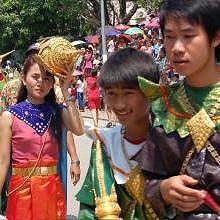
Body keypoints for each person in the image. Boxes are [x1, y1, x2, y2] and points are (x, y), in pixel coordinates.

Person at [138, 0, 220, 219]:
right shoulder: (163, 103)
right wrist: (164, 189)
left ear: (216, 37)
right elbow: (147, 180)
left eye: (188, 35)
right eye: (169, 36)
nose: (176, 47)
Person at [0, 37, 84, 220]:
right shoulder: (9, 116)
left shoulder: (58, 111)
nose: (40, 83)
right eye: (35, 77)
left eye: (46, 79)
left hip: (51, 188)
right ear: (23, 78)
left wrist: (65, 87)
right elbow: (3, 162)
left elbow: (78, 130)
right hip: (20, 189)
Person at [76, 48, 160, 219]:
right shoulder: (105, 142)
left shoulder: (171, 139)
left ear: (151, 91)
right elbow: (89, 209)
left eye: (129, 93)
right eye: (111, 94)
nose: (119, 105)